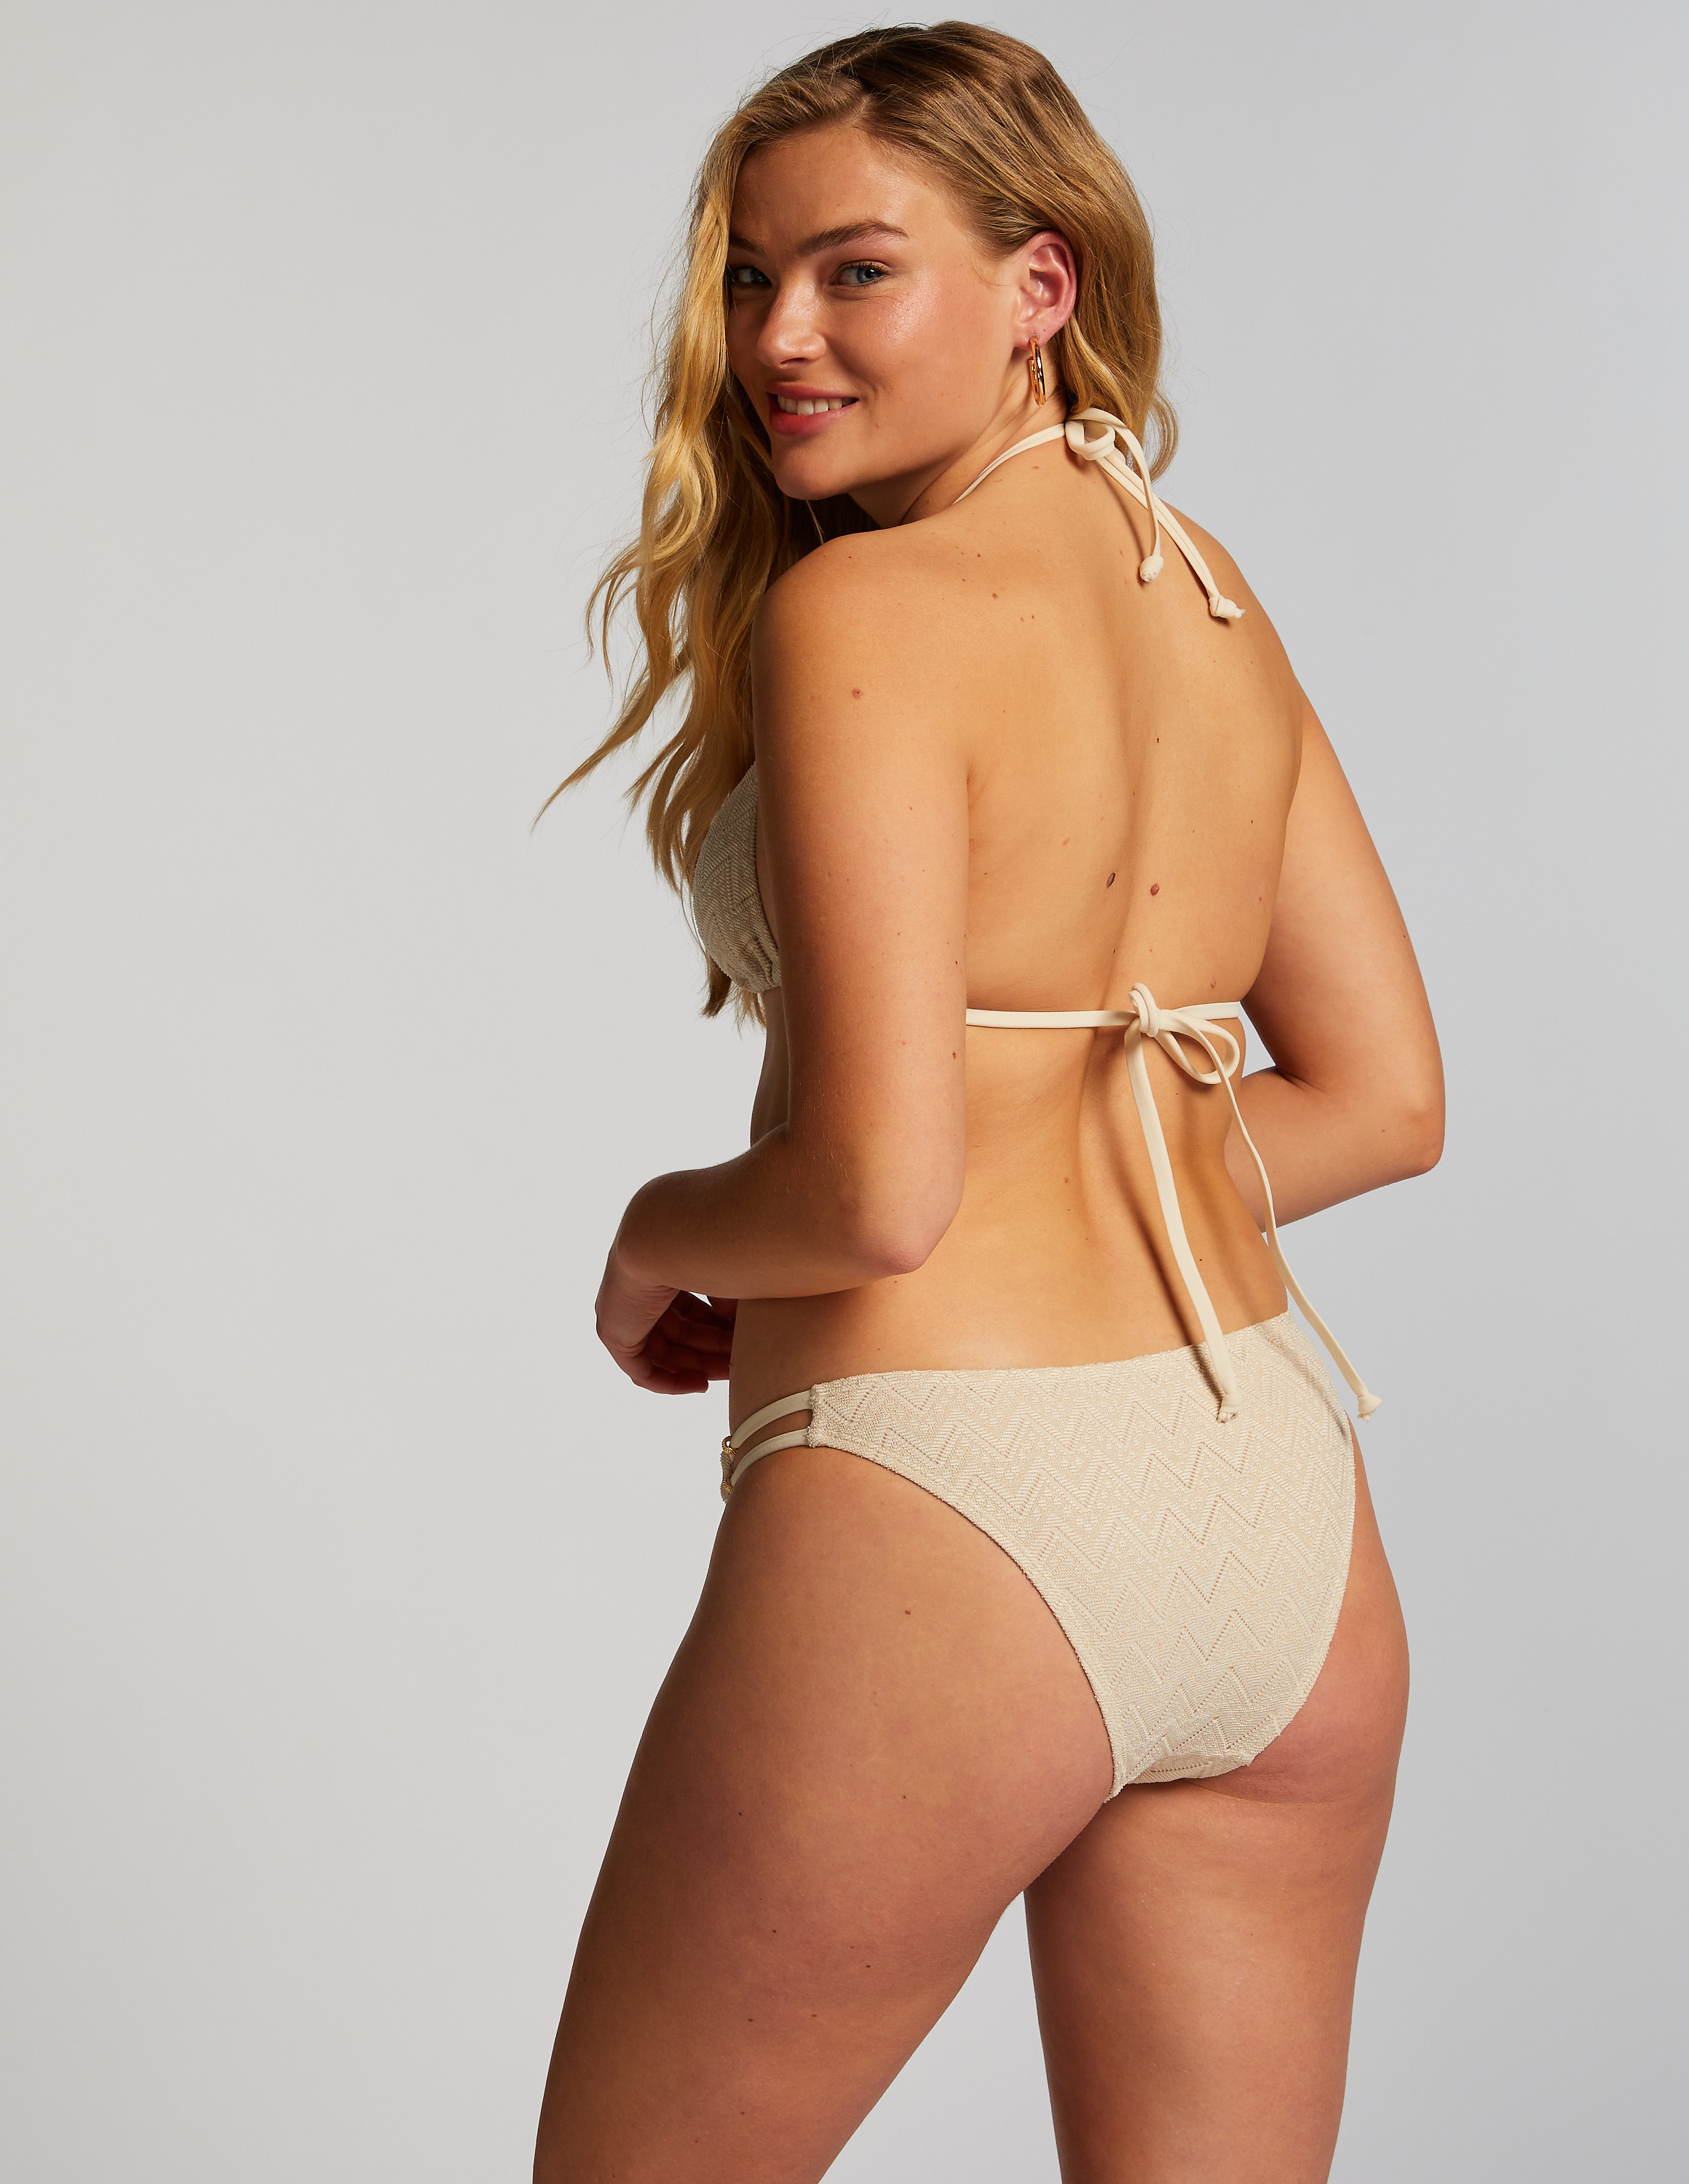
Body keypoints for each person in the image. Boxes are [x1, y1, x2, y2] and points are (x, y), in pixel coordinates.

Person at [536, 24, 1442, 2183]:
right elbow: (1385, 1096)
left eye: (855, 271)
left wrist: (655, 1237)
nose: (779, 338)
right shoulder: (1205, 590)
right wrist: (1105, 1172)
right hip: (1276, 1515)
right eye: (750, 280)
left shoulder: (865, 607)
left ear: (1043, 286)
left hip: (955, 1511)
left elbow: (872, 1194)